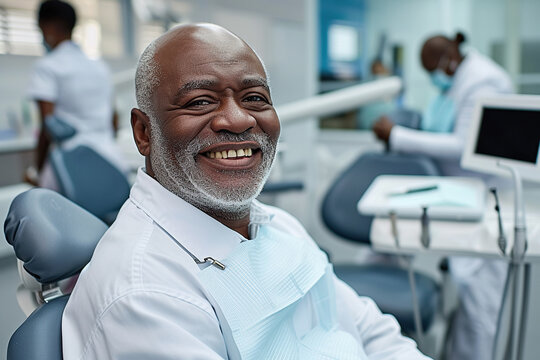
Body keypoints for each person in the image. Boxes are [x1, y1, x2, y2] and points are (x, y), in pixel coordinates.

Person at [62, 23, 431, 359]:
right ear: (144, 132)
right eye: (200, 102)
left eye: (255, 97)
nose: (239, 120)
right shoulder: (143, 294)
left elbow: (368, 328)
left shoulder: (277, 225)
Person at [372, 32, 514, 360]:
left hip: (480, 197)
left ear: (449, 58)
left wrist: (399, 137)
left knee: (477, 305)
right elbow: (437, 129)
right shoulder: (455, 81)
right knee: (388, 255)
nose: (434, 78)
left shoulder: (484, 82)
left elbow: (465, 146)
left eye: (433, 69)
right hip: (451, 191)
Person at [26, 0, 126, 190]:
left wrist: (39, 171)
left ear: (48, 27)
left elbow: (48, 127)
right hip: (112, 160)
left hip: (72, 168)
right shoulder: (99, 67)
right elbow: (113, 119)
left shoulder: (47, 67)